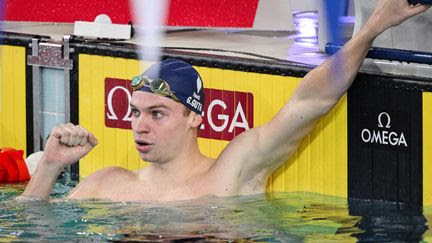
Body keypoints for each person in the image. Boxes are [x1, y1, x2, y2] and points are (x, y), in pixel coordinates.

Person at [19, 0, 430, 202]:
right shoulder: (107, 183)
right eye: (134, 113)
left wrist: (373, 25)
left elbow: (312, 100)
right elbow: (31, 226)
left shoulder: (234, 169)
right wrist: (50, 167)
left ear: (194, 116)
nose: (139, 127)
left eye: (157, 114)